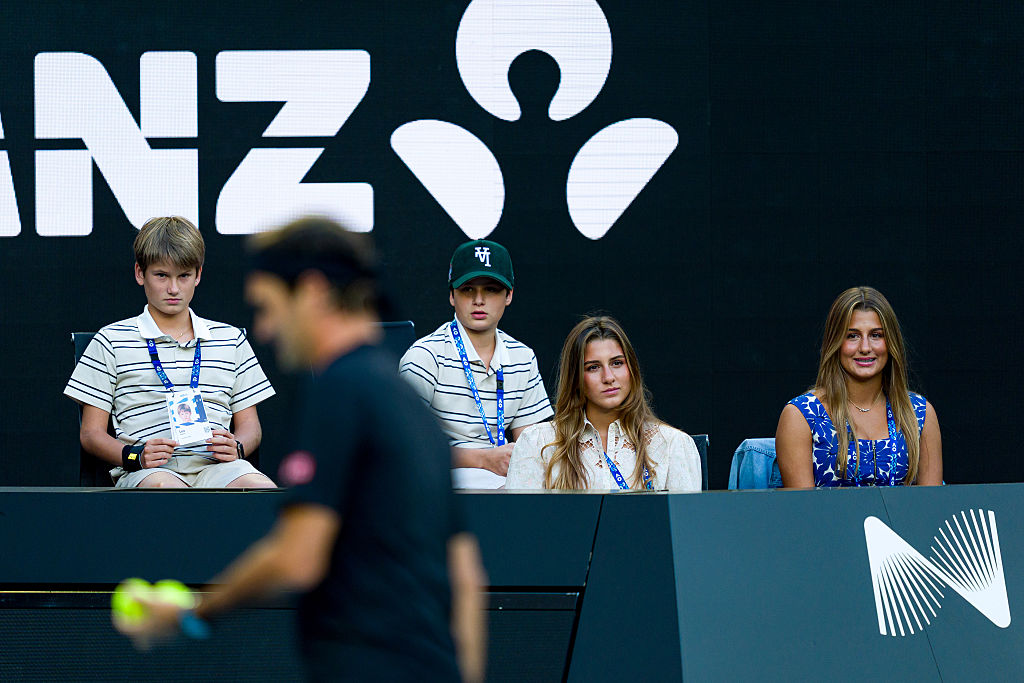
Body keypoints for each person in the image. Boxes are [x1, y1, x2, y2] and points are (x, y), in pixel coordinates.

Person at [115, 217, 487, 683]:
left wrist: (192, 614)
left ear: (311, 292)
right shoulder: (408, 401)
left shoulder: (338, 389)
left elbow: (298, 556)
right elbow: (466, 576)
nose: (265, 329)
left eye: (269, 307)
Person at [64, 216, 276, 488]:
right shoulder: (110, 340)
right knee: (166, 490)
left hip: (220, 467)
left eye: (183, 276)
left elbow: (251, 427)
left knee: (261, 490)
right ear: (140, 273)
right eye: (161, 275)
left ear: (198, 275)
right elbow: (91, 434)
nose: (173, 289)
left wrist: (237, 446)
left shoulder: (231, 339)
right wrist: (135, 456)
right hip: (149, 471)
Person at [400, 239, 553, 488]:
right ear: (452, 295)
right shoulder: (424, 356)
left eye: (491, 289)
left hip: (505, 491)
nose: (479, 300)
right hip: (439, 487)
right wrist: (483, 459)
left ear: (509, 295)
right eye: (468, 289)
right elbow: (403, 445)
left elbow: (532, 446)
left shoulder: (523, 357)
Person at [505, 316, 701, 491]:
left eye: (617, 363)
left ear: (632, 369)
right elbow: (520, 518)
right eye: (593, 367)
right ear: (575, 378)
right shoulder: (538, 442)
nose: (608, 377)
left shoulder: (672, 445)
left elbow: (687, 520)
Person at [775, 286, 943, 487]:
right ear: (835, 342)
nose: (865, 348)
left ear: (891, 342)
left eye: (876, 335)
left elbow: (931, 503)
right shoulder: (801, 415)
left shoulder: (920, 413)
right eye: (852, 336)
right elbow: (802, 506)